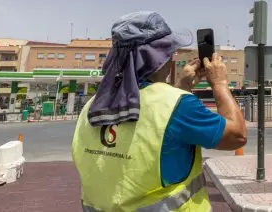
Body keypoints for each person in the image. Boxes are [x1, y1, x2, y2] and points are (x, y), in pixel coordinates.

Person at [71, 11, 247, 212]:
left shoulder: (92, 105)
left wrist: (181, 86)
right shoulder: (178, 105)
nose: (171, 57)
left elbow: (151, 128)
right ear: (157, 58)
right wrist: (220, 83)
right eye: (168, 51)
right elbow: (236, 136)